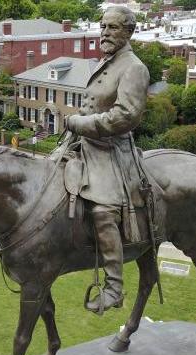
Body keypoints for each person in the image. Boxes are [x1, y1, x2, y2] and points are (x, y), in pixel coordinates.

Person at [64, 6, 150, 314]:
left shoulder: (134, 68)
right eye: (102, 27)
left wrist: (80, 124)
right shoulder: (107, 62)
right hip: (83, 142)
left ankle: (114, 287)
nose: (105, 33)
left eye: (113, 28)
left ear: (128, 32)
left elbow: (126, 116)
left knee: (103, 211)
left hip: (111, 150)